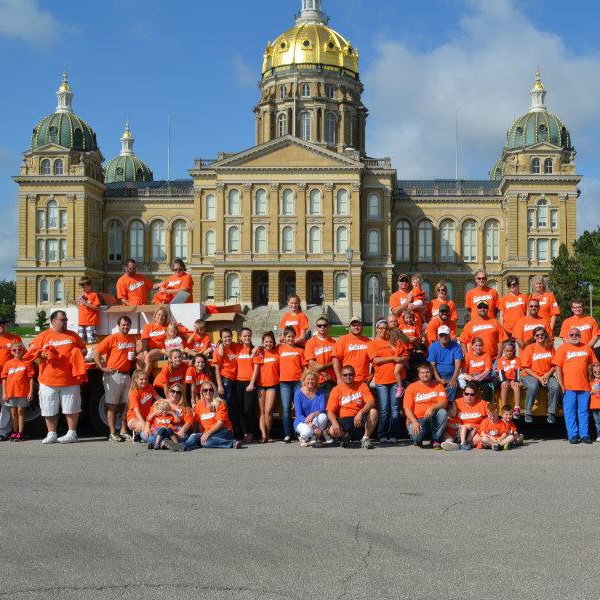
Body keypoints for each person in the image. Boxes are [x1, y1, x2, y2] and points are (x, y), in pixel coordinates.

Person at [28, 310, 86, 444]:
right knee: (49, 407)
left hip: (70, 379)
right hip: (48, 380)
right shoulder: (44, 335)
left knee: (72, 407)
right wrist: (41, 354)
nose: (65, 322)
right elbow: (31, 348)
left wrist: (78, 352)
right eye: (63, 320)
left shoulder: (73, 335)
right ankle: (51, 434)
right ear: (54, 321)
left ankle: (72, 433)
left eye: (66, 319)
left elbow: (84, 349)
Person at [93, 315, 137, 442]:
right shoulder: (112, 338)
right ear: (119, 326)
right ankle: (112, 432)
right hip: (113, 375)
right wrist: (102, 367)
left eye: (127, 325)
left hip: (127, 375)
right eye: (123, 325)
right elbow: (97, 351)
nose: (125, 327)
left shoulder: (132, 339)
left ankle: (123, 431)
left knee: (126, 405)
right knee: (112, 405)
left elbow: (131, 356)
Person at [368, 319, 409, 443]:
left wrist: (401, 358)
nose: (383, 330)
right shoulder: (373, 343)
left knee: (395, 409)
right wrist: (393, 358)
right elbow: (375, 361)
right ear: (377, 329)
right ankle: (382, 434)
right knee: (385, 409)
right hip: (382, 381)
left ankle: (393, 434)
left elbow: (403, 355)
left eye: (385, 328)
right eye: (380, 328)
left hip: (396, 380)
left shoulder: (394, 340)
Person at [553, 327, 596, 444]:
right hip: (568, 387)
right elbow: (557, 367)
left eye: (577, 334)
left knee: (584, 412)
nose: (574, 336)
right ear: (568, 336)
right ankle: (573, 435)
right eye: (572, 334)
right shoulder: (563, 348)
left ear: (580, 335)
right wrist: (561, 384)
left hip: (585, 387)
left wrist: (594, 384)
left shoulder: (587, 348)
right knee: (569, 412)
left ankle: (584, 435)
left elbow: (594, 366)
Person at [326, 365, 378, 449]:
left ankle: (365, 439)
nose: (348, 377)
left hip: (359, 419)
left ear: (354, 375)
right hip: (344, 419)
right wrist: (334, 423)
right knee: (332, 430)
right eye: (345, 375)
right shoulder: (336, 389)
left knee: (373, 411)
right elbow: (329, 411)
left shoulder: (362, 385)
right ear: (341, 376)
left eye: (350, 374)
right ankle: (345, 436)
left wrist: (360, 412)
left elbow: (371, 402)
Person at [520, 326, 560, 424]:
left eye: (542, 334)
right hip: (530, 375)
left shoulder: (550, 347)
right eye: (537, 335)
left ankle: (551, 412)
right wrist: (539, 378)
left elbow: (555, 364)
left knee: (555, 386)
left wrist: (547, 375)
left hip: (547, 375)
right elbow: (525, 367)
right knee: (533, 386)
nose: (540, 336)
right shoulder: (530, 348)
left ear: (545, 335)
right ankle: (528, 412)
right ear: (534, 337)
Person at [403, 362, 448, 449]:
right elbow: (407, 409)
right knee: (416, 436)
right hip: (417, 420)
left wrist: (432, 408)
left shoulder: (438, 386)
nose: (425, 375)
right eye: (422, 372)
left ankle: (435, 440)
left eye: (427, 372)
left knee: (443, 412)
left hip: (433, 418)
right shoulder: (411, 387)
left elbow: (444, 402)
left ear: (431, 373)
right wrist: (414, 422)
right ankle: (418, 441)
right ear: (419, 374)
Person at [185, 382, 242, 449]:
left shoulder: (220, 403)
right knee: (193, 436)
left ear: (214, 391)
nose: (208, 392)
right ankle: (184, 447)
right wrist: (198, 434)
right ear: (202, 392)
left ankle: (232, 443)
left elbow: (220, 423)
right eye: (205, 390)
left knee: (206, 442)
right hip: (208, 432)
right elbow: (198, 423)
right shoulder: (199, 404)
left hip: (224, 430)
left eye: (211, 390)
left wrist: (208, 433)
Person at [1, 342, 34, 441]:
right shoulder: (8, 363)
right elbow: (4, 378)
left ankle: (20, 432)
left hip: (23, 392)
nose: (17, 352)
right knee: (13, 412)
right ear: (11, 351)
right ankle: (14, 432)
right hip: (11, 392)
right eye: (14, 350)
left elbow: (31, 378)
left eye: (19, 350)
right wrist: (4, 392)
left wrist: (30, 392)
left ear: (23, 351)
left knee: (21, 411)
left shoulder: (27, 362)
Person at [278, 326, 306, 442]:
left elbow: (304, 368)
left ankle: (300, 432)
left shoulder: (300, 350)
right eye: (288, 337)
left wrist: (304, 381)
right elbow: (265, 348)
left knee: (299, 408)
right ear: (284, 337)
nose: (290, 339)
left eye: (293, 337)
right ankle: (287, 434)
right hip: (284, 382)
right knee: (286, 409)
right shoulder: (279, 349)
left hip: (297, 382)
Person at [251, 331, 279, 443]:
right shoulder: (260, 352)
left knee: (268, 411)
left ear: (273, 342)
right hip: (260, 385)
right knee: (261, 411)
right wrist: (258, 346)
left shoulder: (277, 353)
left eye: (270, 342)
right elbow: (252, 353)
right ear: (263, 342)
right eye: (266, 342)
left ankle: (268, 434)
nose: (268, 344)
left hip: (272, 384)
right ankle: (263, 435)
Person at [232, 327, 258, 444]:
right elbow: (222, 343)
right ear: (240, 338)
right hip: (238, 382)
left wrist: (252, 383)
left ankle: (252, 433)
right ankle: (245, 433)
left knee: (248, 410)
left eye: (249, 336)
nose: (247, 338)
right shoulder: (237, 348)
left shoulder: (254, 350)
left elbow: (256, 368)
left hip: (249, 382)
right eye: (244, 336)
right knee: (240, 410)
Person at [293, 369, 331, 447]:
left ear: (316, 381)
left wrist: (313, 414)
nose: (310, 381)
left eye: (313, 379)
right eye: (308, 379)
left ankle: (317, 437)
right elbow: (298, 414)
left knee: (323, 416)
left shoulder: (321, 392)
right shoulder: (298, 393)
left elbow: (322, 409)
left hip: (315, 419)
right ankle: (302, 436)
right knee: (307, 432)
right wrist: (311, 425)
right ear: (304, 380)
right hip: (302, 420)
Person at [0, 318, 23, 441]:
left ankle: (3, 431)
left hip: (8, 378)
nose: (0, 326)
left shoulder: (14, 339)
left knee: (5, 405)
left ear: (6, 324)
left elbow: (22, 354)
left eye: (2, 323)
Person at [427, 325, 463, 404]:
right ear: (438, 336)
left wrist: (453, 379)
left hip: (451, 375)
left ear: (449, 335)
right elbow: (433, 365)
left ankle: (448, 405)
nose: (443, 337)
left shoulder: (456, 346)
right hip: (437, 375)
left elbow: (458, 364)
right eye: (441, 335)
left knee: (453, 386)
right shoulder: (433, 347)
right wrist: (438, 378)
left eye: (445, 335)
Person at [332, 316, 371, 384]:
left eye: (358, 325)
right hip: (346, 379)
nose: (356, 327)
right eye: (354, 325)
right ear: (350, 327)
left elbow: (375, 360)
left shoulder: (369, 342)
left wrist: (371, 376)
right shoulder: (342, 340)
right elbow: (335, 359)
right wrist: (338, 377)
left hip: (363, 380)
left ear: (362, 326)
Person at [304, 317, 336, 395]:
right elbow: (311, 362)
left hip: (330, 379)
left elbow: (335, 361)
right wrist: (325, 374)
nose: (322, 327)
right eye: (320, 325)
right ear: (316, 327)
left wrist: (322, 367)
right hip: (315, 379)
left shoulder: (334, 342)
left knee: (328, 405)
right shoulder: (310, 342)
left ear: (328, 327)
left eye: (325, 325)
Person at [126, 370, 160, 442]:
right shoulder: (134, 392)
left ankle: (150, 437)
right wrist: (144, 424)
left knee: (159, 425)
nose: (144, 381)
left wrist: (170, 403)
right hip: (134, 418)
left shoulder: (149, 386)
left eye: (146, 379)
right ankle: (138, 433)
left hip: (147, 417)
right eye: (141, 379)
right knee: (142, 427)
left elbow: (158, 398)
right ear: (135, 380)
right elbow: (136, 411)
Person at [212, 328, 238, 425]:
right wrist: (220, 385)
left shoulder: (233, 346)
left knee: (231, 405)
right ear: (221, 338)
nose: (227, 339)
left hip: (233, 379)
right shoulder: (218, 351)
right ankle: (223, 427)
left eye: (229, 336)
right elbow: (216, 369)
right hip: (225, 379)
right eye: (225, 337)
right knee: (224, 405)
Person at [458, 336, 494, 401]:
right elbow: (464, 371)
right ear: (472, 346)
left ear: (482, 346)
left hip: (483, 377)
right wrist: (468, 376)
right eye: (476, 345)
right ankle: (472, 404)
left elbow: (487, 370)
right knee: (470, 388)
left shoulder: (486, 355)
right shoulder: (468, 355)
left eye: (480, 345)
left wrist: (480, 376)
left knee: (487, 387)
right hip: (472, 378)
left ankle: (486, 405)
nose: (478, 347)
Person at [455, 384, 487, 450]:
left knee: (481, 438)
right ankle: (463, 442)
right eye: (466, 394)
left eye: (472, 394)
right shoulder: (457, 403)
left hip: (476, 431)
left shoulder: (482, 403)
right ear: (463, 394)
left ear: (475, 395)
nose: (469, 396)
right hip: (461, 430)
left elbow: (490, 419)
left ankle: (463, 443)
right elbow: (450, 417)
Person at [140, 306, 170, 375]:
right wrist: (145, 352)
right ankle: (138, 379)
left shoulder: (167, 327)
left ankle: (144, 378)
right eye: (159, 314)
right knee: (139, 358)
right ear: (155, 315)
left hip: (160, 350)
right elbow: (144, 340)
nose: (160, 317)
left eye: (163, 316)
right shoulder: (148, 326)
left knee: (149, 355)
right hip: (147, 349)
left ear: (165, 318)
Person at [498, 341, 521, 415]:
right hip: (504, 378)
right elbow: (500, 371)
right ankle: (504, 407)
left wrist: (517, 380)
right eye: (507, 351)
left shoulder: (517, 359)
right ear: (504, 351)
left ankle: (517, 407)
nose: (509, 352)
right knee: (504, 386)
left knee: (516, 387)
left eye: (511, 351)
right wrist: (503, 381)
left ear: (513, 350)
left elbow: (517, 370)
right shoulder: (501, 360)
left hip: (513, 379)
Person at [76, 276, 101, 345]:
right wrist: (78, 302)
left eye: (84, 287)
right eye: (82, 287)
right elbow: (79, 307)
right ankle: (84, 353)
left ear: (90, 285)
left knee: (91, 340)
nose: (83, 289)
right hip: (81, 321)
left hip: (90, 321)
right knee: (81, 340)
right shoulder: (82, 295)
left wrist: (86, 303)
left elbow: (97, 307)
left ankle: (92, 353)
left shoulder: (94, 294)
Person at [590, 363, 600, 441]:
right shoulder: (591, 382)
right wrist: (592, 391)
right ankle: (598, 435)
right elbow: (588, 393)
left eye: (599, 371)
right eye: (595, 372)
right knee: (597, 422)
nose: (597, 373)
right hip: (593, 405)